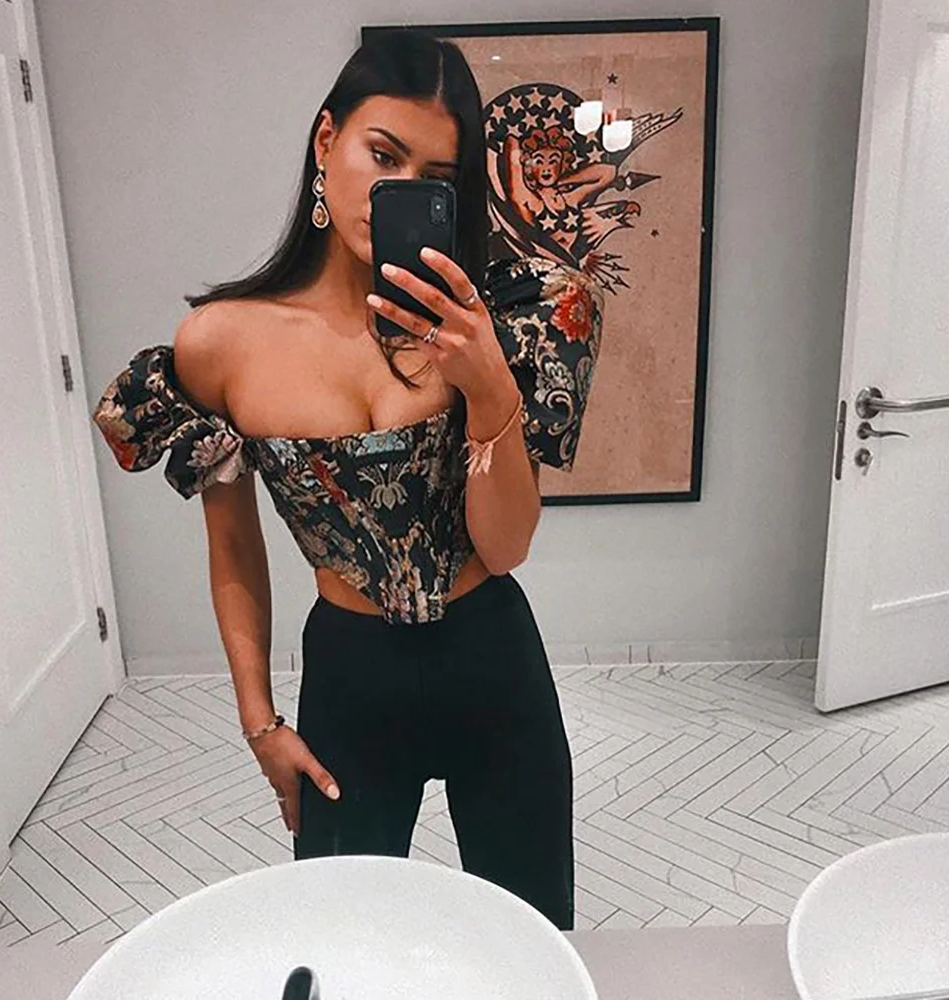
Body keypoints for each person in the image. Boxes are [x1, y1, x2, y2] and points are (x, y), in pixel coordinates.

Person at [92, 29, 603, 931]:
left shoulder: (499, 322)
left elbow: (507, 546)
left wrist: (488, 385)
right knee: (340, 935)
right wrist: (259, 722)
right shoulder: (222, 343)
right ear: (327, 140)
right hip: (349, 675)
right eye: (383, 154)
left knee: (528, 933)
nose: (398, 188)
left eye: (434, 177)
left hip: (492, 658)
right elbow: (235, 550)